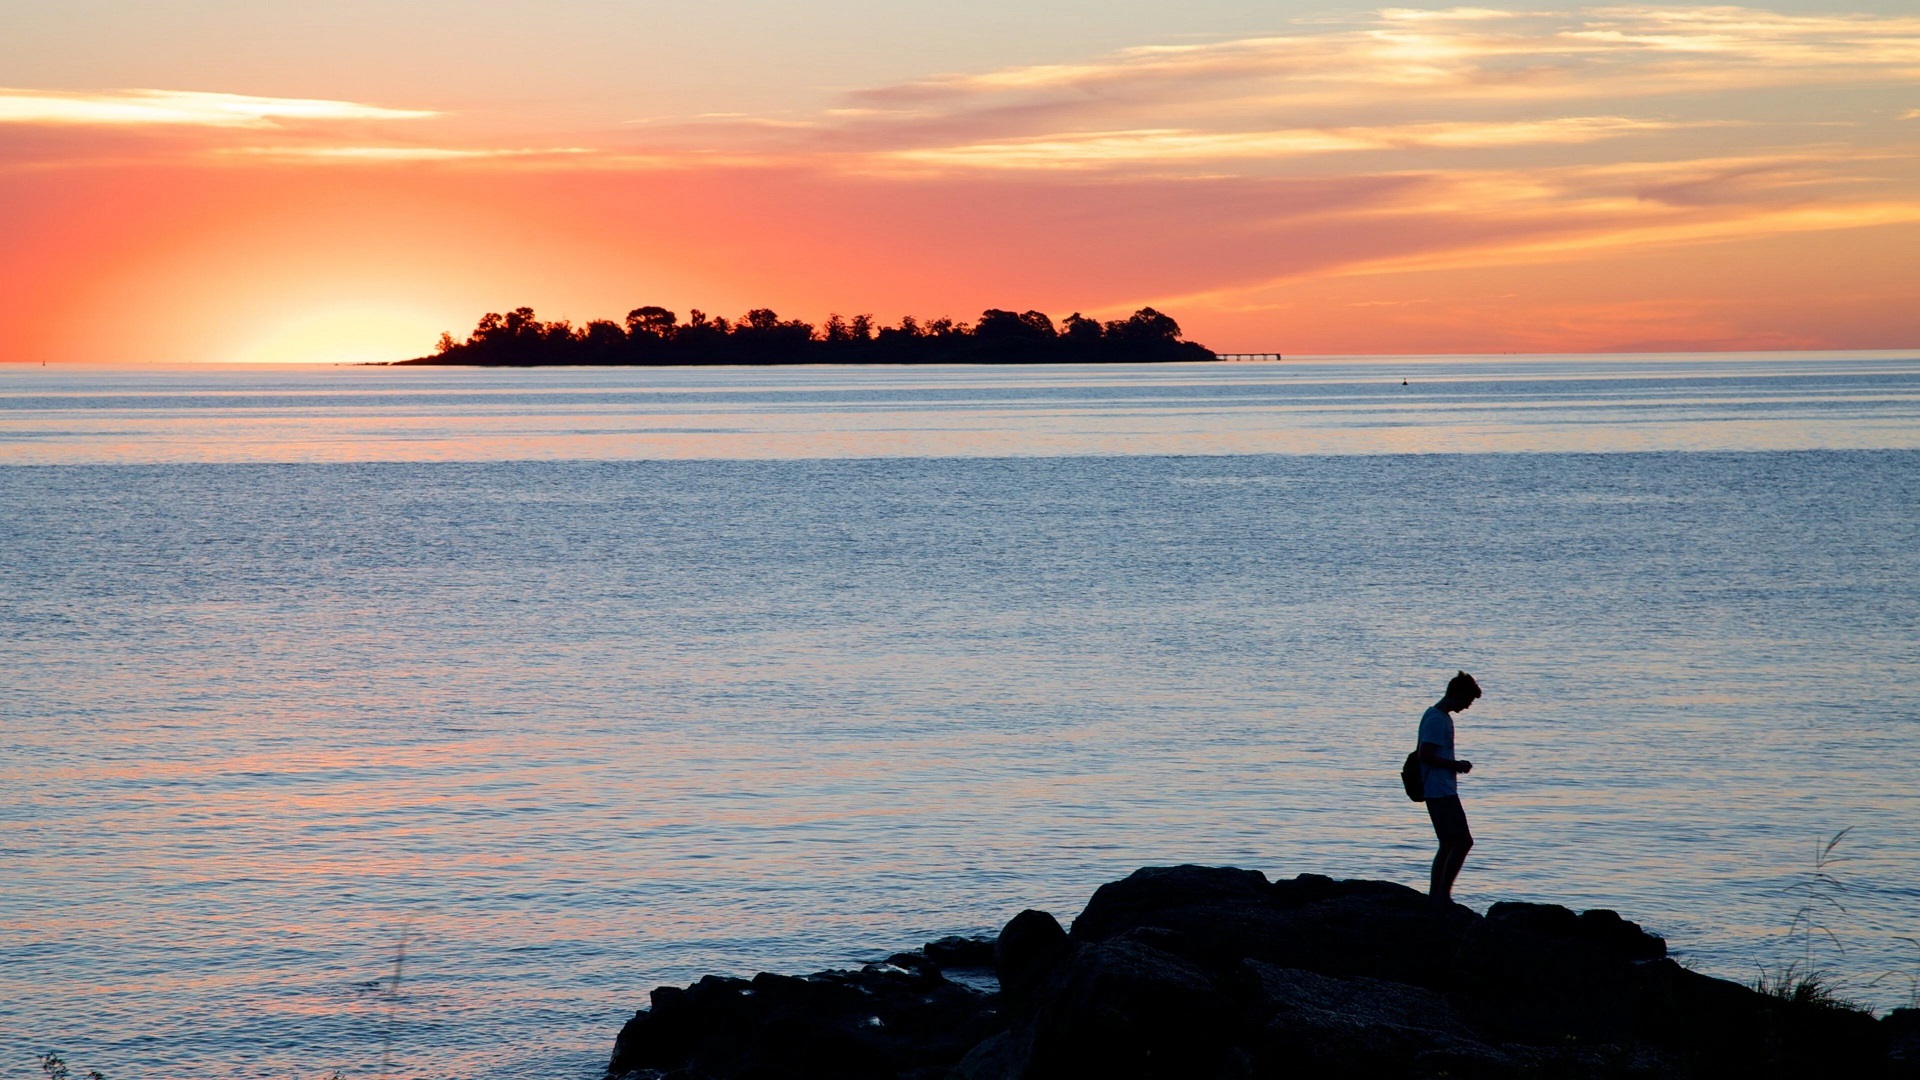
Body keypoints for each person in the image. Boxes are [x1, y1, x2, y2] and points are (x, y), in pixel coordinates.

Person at [1419, 671, 1481, 904]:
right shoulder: (1436, 719)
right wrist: (1456, 765)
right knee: (1463, 841)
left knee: (1448, 842)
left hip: (1439, 788)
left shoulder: (1438, 716)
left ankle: (1437, 895)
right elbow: (1426, 755)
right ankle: (1442, 895)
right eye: (1467, 701)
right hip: (1440, 790)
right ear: (1457, 695)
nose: (1467, 707)